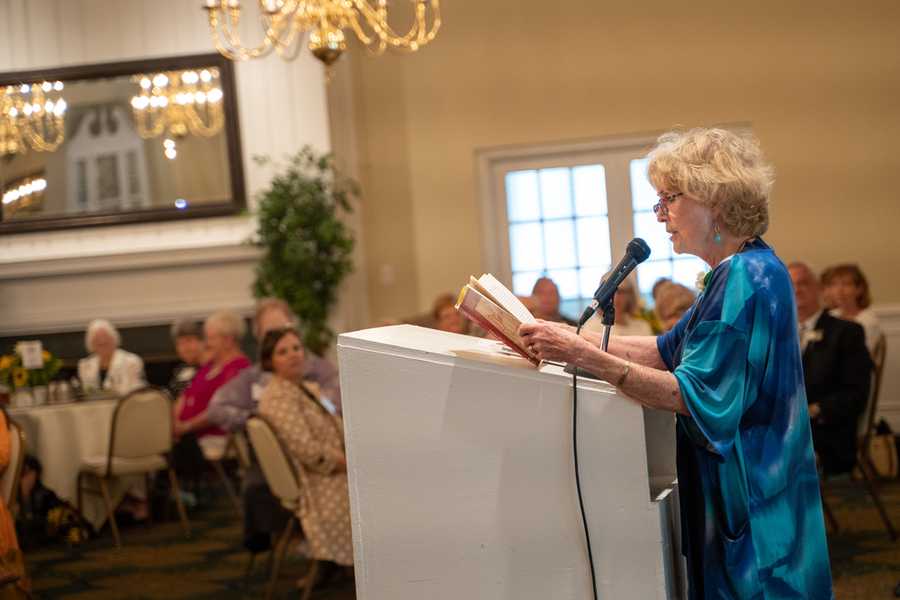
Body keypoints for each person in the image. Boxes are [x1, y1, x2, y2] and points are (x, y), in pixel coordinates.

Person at [520, 128, 832, 598]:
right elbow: (664, 351)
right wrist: (568, 335)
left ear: (714, 199)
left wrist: (583, 355)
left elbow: (691, 395)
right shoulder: (740, 269)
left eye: (670, 197)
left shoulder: (745, 279)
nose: (660, 213)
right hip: (753, 490)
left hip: (754, 499)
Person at [257, 327, 354, 569]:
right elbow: (309, 451)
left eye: (296, 348)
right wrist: (349, 463)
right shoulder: (278, 398)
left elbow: (336, 423)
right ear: (269, 361)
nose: (293, 355)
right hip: (321, 480)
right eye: (282, 352)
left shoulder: (307, 387)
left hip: (339, 463)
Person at [790, 262, 872, 475]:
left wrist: (814, 410)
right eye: (790, 284)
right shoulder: (777, 334)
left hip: (825, 432)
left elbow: (856, 394)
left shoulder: (847, 332)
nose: (797, 290)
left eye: (804, 283)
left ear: (819, 289)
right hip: (779, 427)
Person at [174, 310, 251, 455]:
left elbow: (218, 412)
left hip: (215, 439)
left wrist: (185, 427)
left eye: (210, 338)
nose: (207, 344)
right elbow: (185, 395)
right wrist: (173, 423)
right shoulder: (210, 366)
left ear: (228, 340)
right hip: (191, 436)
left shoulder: (239, 369)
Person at [822, 263, 882, 357]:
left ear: (859, 289)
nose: (839, 290)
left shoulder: (868, 320)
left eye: (846, 284)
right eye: (833, 284)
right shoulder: (831, 315)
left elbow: (862, 356)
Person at [77, 319, 145, 396]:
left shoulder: (132, 361)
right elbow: (87, 393)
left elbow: (134, 393)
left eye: (106, 338)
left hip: (125, 406)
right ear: (91, 344)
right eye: (97, 340)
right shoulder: (84, 365)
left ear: (114, 339)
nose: (102, 340)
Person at [582, 275, 653, 336]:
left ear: (630, 295)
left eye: (621, 292)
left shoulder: (643, 327)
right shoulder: (591, 328)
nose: (615, 297)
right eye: (610, 292)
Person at [168, 319, 205, 399]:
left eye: (189, 341)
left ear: (202, 342)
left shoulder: (213, 369)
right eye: (179, 343)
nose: (184, 348)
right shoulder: (180, 370)